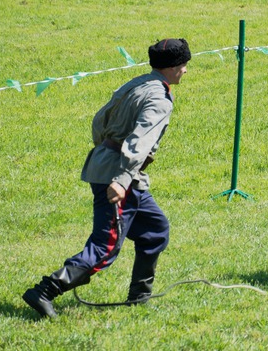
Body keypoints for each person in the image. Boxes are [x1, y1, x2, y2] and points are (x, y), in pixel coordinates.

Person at [22, 38, 191, 318]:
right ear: (173, 67)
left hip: (107, 163)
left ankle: (139, 298)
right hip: (119, 176)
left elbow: (100, 118)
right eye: (184, 65)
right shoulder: (159, 100)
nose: (185, 70)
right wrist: (121, 179)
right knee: (105, 247)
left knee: (155, 230)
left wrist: (106, 150)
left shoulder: (136, 83)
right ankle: (45, 290)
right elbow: (141, 141)